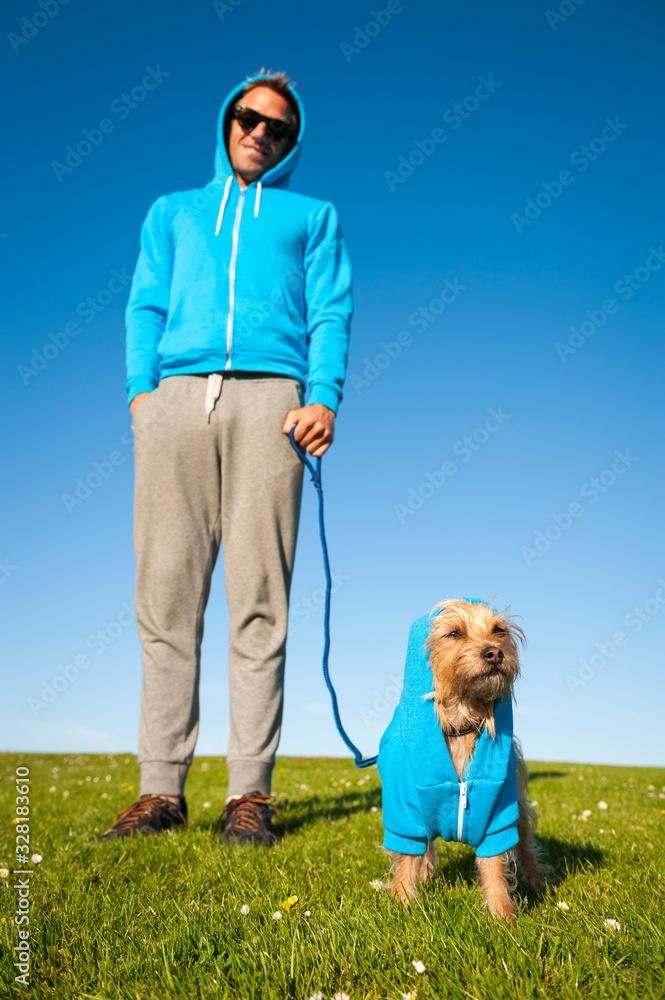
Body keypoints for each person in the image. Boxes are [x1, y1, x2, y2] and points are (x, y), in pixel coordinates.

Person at [99, 69, 353, 845]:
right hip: (175, 404)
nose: (258, 133)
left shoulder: (311, 216)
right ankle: (160, 793)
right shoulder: (172, 212)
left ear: (290, 143)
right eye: (248, 118)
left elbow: (331, 311)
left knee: (259, 604)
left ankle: (249, 797)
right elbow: (144, 302)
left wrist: (323, 397)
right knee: (166, 600)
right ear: (226, 120)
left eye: (276, 128)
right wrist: (143, 395)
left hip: (270, 405)